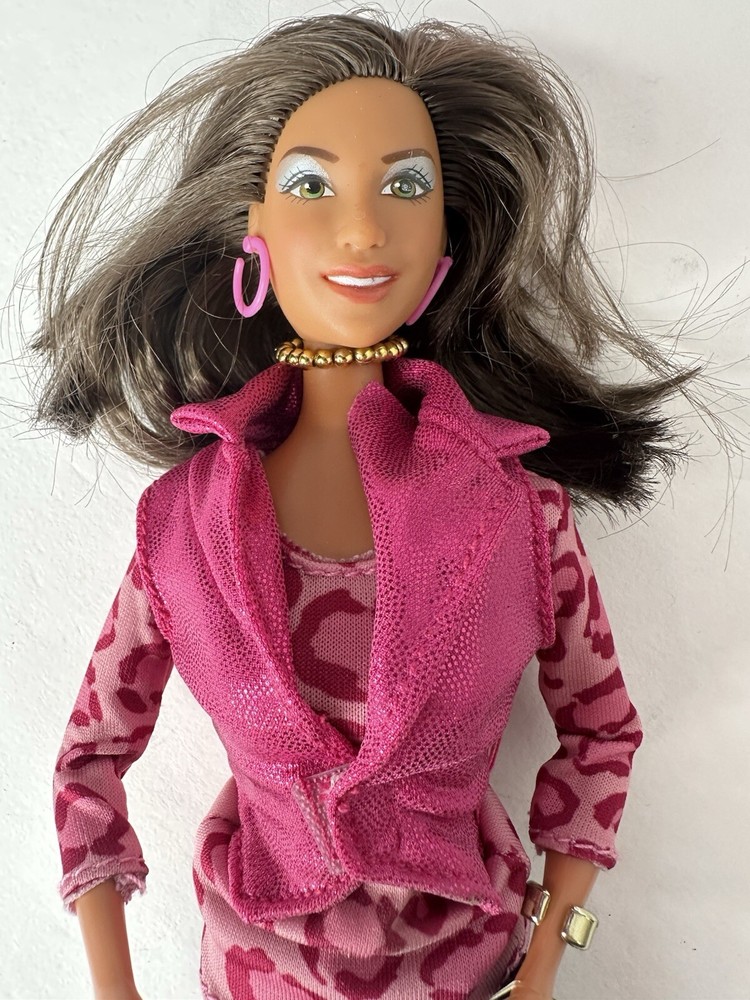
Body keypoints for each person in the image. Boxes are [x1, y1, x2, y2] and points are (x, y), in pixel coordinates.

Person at [41, 13, 690, 999]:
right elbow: (88, 759)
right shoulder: (182, 525)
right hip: (251, 970)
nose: (362, 228)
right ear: (254, 233)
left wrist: (550, 958)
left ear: (443, 245)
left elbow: (600, 731)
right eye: (313, 185)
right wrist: (113, 988)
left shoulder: (520, 513)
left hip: (469, 969)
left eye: (406, 186)